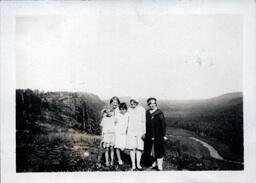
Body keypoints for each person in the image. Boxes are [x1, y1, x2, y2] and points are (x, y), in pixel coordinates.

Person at [143, 97, 167, 171]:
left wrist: (164, 135)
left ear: (156, 104)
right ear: (148, 104)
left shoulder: (159, 113)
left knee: (159, 150)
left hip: (158, 135)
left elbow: (163, 125)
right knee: (151, 150)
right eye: (150, 103)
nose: (152, 105)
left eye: (153, 103)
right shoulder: (147, 113)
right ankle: (154, 163)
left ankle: (159, 165)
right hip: (149, 135)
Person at [126, 97, 146, 171]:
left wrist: (144, 132)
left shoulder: (142, 109)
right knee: (132, 148)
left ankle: (138, 164)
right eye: (131, 102)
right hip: (131, 131)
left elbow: (144, 121)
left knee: (139, 148)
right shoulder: (129, 110)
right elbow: (126, 120)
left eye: (134, 102)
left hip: (140, 131)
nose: (132, 104)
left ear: (137, 103)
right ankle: (133, 165)